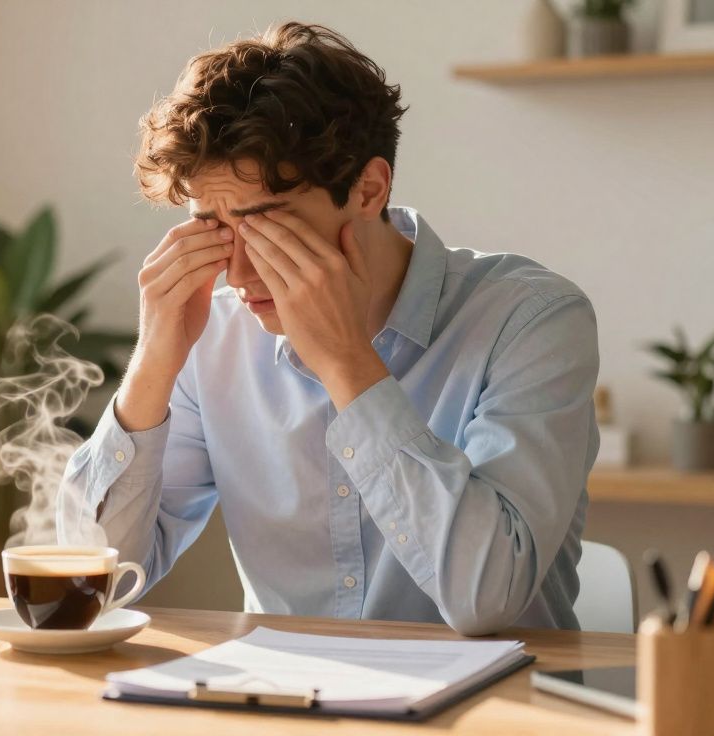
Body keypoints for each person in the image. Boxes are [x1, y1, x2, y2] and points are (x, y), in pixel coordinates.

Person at [51, 22, 599, 636]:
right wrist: (153, 363)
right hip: (279, 689)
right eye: (214, 227)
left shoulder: (530, 320)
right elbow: (88, 586)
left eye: (266, 223)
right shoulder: (212, 335)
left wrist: (348, 364)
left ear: (369, 189)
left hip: (499, 695)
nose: (237, 272)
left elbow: (488, 597)